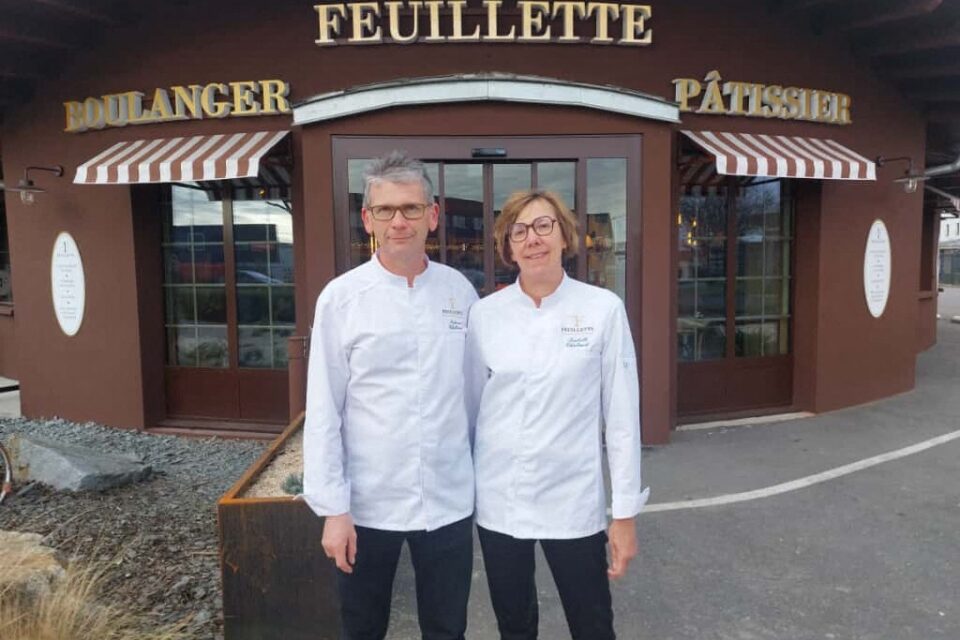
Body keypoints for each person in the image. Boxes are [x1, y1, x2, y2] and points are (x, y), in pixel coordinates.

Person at [303, 151, 478, 640]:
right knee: (363, 629)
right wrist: (333, 510)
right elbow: (324, 410)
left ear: (433, 215)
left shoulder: (460, 293)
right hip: (367, 504)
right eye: (385, 210)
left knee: (447, 629)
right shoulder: (341, 298)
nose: (399, 221)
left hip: (447, 499)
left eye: (411, 208)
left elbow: (474, 398)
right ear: (368, 219)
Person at [465, 189, 648, 640]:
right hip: (501, 499)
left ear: (565, 236)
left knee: (592, 626)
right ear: (508, 248)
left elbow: (622, 419)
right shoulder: (484, 315)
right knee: (514, 626)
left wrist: (624, 514)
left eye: (543, 225)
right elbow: (471, 409)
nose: (533, 238)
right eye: (519, 231)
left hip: (572, 500)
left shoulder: (602, 309)